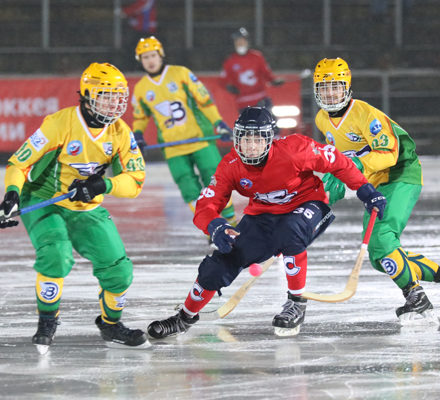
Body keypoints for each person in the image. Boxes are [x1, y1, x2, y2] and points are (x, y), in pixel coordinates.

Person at [146, 107, 386, 338]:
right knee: (218, 264)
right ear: (236, 140)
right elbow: (206, 205)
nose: (250, 147)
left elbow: (337, 161)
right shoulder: (230, 165)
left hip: (309, 205)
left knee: (289, 231)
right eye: (244, 139)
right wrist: (216, 226)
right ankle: (185, 317)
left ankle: (296, 303)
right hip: (262, 217)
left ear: (269, 139)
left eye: (257, 139)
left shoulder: (295, 149)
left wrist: (365, 189)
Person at [0, 62, 150, 352]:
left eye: (118, 95)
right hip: (43, 199)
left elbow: (135, 180)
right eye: (106, 95)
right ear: (88, 96)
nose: (115, 103)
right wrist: (11, 194)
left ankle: (111, 325)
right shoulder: (60, 123)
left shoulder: (121, 133)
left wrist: (104, 185)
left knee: (119, 272)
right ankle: (47, 321)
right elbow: (19, 162)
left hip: (85, 207)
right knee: (57, 254)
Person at [312, 57, 440, 324]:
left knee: (382, 242)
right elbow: (340, 159)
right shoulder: (322, 120)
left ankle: (415, 296)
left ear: (346, 87)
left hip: (400, 173)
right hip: (375, 181)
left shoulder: (366, 115)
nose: (330, 94)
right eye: (324, 88)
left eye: (335, 86)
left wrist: (354, 166)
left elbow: (388, 154)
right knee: (380, 257)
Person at [132, 36, 237, 225]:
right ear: (140, 60)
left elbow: (204, 101)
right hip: (173, 147)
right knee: (187, 187)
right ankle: (210, 225)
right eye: (145, 57)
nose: (150, 60)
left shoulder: (180, 73)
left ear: (160, 55)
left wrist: (218, 122)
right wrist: (138, 134)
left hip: (200, 139)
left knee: (215, 181)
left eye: (153, 55)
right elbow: (140, 117)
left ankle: (232, 220)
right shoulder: (141, 88)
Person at [220, 27, 284, 113]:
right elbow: (223, 80)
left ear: (247, 42)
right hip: (244, 103)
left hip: (260, 99)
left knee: (269, 124)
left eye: (242, 41)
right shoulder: (230, 61)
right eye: (237, 41)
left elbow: (266, 73)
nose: (240, 43)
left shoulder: (257, 57)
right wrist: (229, 87)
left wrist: (273, 80)